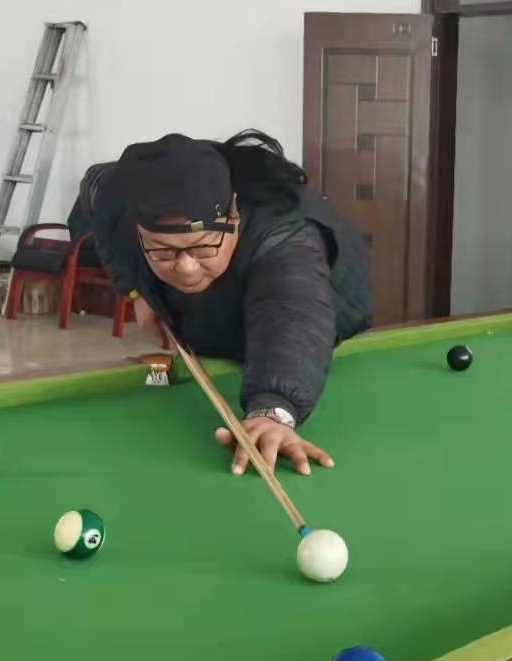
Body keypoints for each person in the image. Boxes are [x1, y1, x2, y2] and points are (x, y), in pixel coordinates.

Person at [72, 130, 374, 476]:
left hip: (319, 305)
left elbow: (294, 315)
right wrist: (135, 290)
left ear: (233, 215)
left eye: (203, 246)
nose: (185, 267)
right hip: (215, 309)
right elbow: (99, 200)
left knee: (272, 329)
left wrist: (273, 411)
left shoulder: (282, 235)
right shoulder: (121, 192)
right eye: (163, 250)